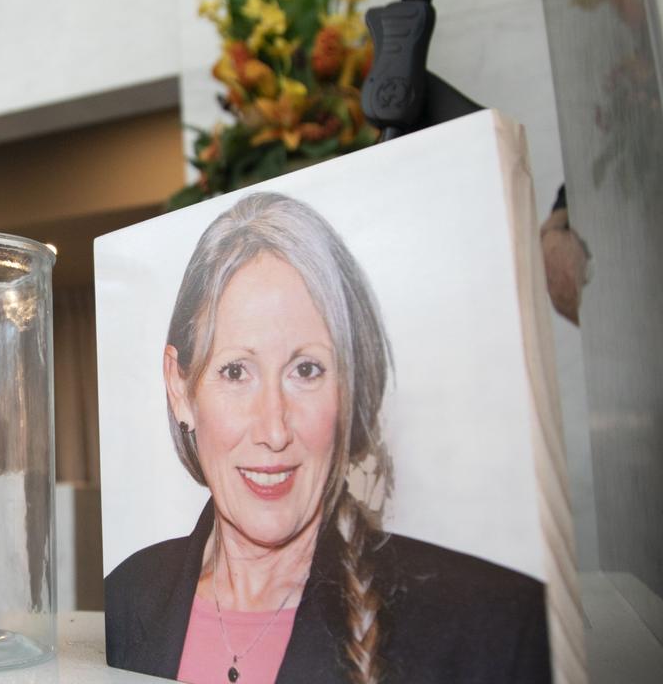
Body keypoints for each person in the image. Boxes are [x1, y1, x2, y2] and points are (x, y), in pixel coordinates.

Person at [104, 193, 552, 684]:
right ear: (180, 388)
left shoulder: (494, 628)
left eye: (306, 369)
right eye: (236, 371)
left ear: (351, 387)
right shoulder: (124, 599)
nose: (274, 430)